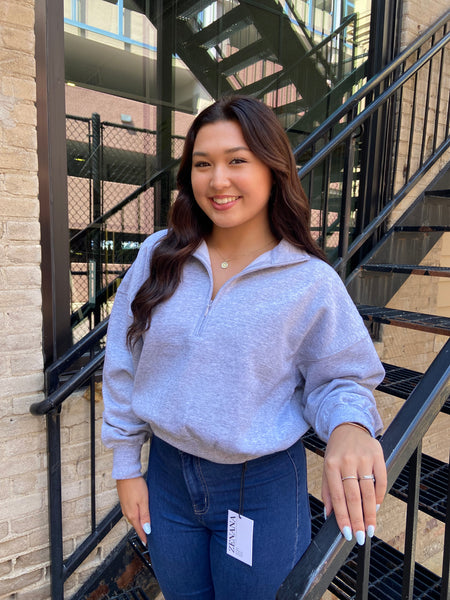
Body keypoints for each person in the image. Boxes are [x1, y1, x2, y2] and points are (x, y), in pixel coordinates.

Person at [102, 95, 387, 600]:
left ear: (273, 168)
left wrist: (349, 426)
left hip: (259, 487)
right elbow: (125, 362)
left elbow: (342, 376)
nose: (218, 181)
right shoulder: (158, 255)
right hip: (167, 476)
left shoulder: (310, 282)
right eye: (202, 164)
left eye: (237, 161)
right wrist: (127, 467)